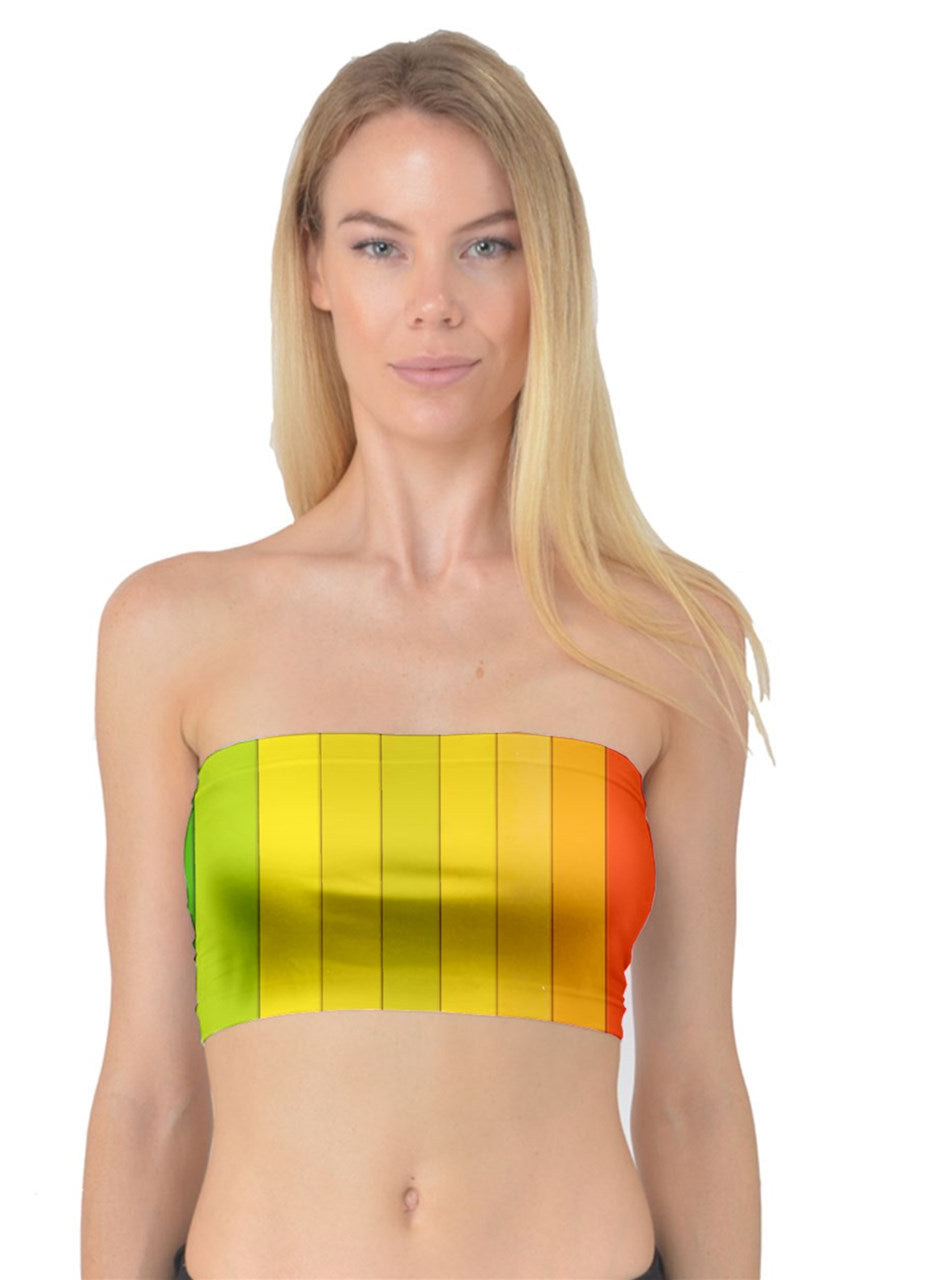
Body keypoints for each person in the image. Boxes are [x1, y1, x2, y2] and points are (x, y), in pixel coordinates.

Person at [81, 29, 768, 1280]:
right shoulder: (173, 632)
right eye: (379, 245)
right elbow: (148, 1091)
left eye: (486, 245)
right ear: (312, 267)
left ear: (548, 268)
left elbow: (690, 1092)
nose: (433, 300)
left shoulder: (669, 641)